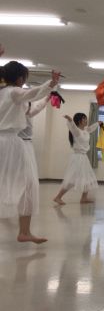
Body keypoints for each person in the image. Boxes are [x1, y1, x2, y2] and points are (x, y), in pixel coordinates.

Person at [0, 58, 60, 243]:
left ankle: (25, 231)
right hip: (9, 142)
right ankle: (24, 232)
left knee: (20, 184)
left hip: (7, 141)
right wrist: (51, 84)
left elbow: (30, 107)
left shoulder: (4, 93)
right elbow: (31, 94)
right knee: (28, 185)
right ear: (20, 78)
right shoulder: (13, 92)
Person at [53, 113, 100, 205]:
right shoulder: (77, 132)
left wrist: (98, 123)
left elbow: (91, 128)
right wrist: (70, 120)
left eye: (86, 118)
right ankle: (58, 197)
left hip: (84, 157)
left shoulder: (85, 130)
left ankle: (84, 198)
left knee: (88, 178)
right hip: (78, 158)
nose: (86, 120)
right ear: (79, 121)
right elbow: (73, 127)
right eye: (84, 119)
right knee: (72, 179)